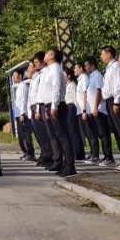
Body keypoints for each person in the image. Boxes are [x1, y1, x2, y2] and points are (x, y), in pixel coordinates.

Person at [42, 48, 75, 177]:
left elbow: (56, 88)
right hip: (51, 104)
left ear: (52, 56)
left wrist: (54, 106)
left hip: (57, 105)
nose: (45, 55)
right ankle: (64, 164)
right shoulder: (49, 70)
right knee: (58, 136)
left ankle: (70, 166)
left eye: (47, 53)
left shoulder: (56, 69)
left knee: (63, 136)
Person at [102, 46, 120, 168]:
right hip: (109, 101)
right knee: (115, 130)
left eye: (102, 54)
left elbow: (118, 85)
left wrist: (116, 102)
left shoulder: (116, 66)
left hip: (115, 100)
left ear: (109, 54)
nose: (101, 57)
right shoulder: (109, 67)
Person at [84, 57, 111, 166]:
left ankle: (108, 156)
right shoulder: (91, 77)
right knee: (99, 133)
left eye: (87, 65)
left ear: (93, 66)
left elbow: (99, 91)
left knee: (104, 133)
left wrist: (95, 107)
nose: (85, 68)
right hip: (93, 110)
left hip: (99, 109)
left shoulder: (98, 76)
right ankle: (102, 156)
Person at [64, 67, 86, 162]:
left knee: (74, 131)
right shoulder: (66, 85)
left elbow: (75, 98)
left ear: (69, 76)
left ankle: (79, 152)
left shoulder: (72, 85)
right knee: (69, 131)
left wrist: (78, 110)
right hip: (67, 107)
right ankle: (73, 151)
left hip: (72, 107)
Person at [13, 69, 34, 160]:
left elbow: (24, 101)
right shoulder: (18, 87)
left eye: (15, 75)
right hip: (18, 114)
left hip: (23, 114)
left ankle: (30, 153)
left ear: (20, 76)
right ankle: (25, 152)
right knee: (21, 135)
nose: (14, 78)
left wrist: (22, 113)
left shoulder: (24, 86)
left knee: (26, 135)